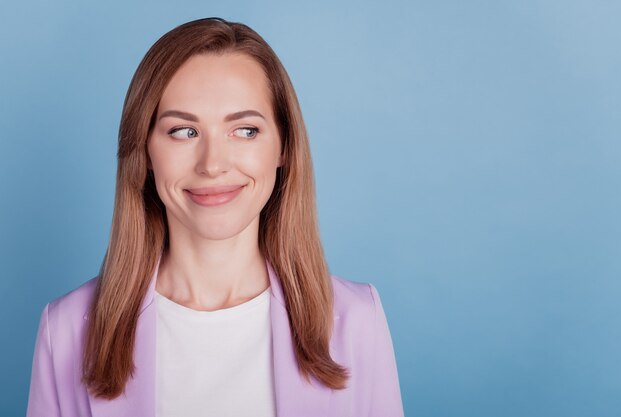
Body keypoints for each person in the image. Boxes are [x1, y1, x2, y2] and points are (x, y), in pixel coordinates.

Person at [26, 17, 404, 417]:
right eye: (184, 132)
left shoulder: (359, 319)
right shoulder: (66, 330)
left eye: (245, 130)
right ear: (145, 152)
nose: (212, 164)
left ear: (284, 149)